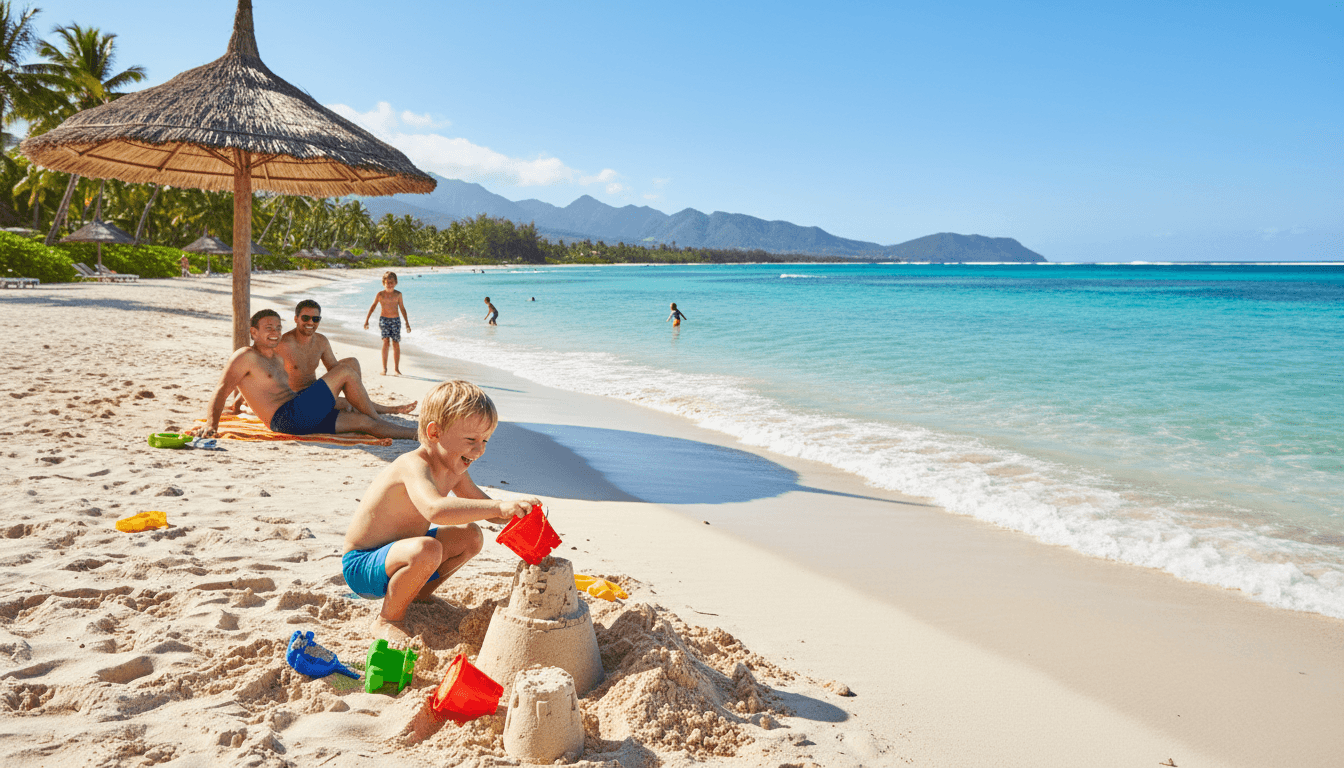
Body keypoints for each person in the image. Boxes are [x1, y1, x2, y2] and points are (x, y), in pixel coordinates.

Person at [341, 380, 539, 642]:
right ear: (434, 433)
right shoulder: (413, 465)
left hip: (402, 557)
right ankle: (388, 618)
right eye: (471, 440)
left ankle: (419, 596)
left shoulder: (454, 470)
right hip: (363, 565)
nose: (479, 450)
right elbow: (436, 509)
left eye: (485, 440)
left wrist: (519, 513)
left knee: (471, 535)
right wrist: (499, 507)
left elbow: (486, 509)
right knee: (428, 549)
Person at [189, 309, 417, 441]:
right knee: (346, 370)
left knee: (364, 422)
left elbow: (260, 389)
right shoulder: (245, 356)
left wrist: (240, 404)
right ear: (253, 332)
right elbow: (222, 389)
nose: (275, 332)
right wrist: (212, 424)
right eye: (268, 328)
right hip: (285, 418)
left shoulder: (277, 358)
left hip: (300, 414)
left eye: (278, 327)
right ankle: (381, 418)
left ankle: (416, 434)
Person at [280, 299, 416, 416]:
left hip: (315, 390)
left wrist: (351, 388)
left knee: (352, 363)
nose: (310, 322)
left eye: (315, 319)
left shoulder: (321, 341)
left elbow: (333, 368)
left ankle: (374, 408)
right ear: (296, 319)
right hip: (296, 398)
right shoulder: (283, 344)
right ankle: (383, 411)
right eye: (305, 318)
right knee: (348, 403)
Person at [363, 272, 411, 375]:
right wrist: (367, 320)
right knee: (385, 342)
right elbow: (373, 307)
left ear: (395, 283)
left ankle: (396, 369)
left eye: (391, 282)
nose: (389, 285)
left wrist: (407, 323)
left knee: (395, 343)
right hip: (384, 320)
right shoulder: (380, 294)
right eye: (387, 283)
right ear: (383, 283)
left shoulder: (398, 294)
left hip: (396, 320)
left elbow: (402, 308)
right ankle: (384, 368)